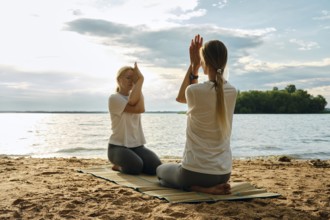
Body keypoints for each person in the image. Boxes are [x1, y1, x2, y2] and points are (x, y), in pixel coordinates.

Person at [156, 35, 237, 195]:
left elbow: (180, 98)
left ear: (203, 63)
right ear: (225, 62)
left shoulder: (194, 91)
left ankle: (197, 188)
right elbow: (214, 89)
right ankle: (209, 187)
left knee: (160, 171)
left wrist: (193, 66)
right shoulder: (232, 92)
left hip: (193, 174)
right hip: (223, 174)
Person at [107, 62, 161, 175]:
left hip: (137, 146)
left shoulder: (138, 96)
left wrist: (138, 84)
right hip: (117, 147)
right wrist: (140, 80)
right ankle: (118, 166)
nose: (131, 81)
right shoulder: (114, 98)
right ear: (118, 80)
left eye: (134, 78)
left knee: (155, 167)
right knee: (135, 166)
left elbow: (139, 106)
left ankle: (133, 161)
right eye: (128, 78)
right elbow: (136, 107)